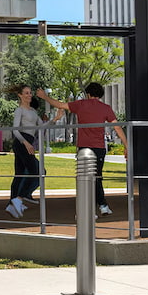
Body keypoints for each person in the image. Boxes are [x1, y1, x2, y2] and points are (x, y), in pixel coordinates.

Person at [37, 82, 128, 215]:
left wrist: (45, 97)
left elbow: (59, 104)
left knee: (85, 179)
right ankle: (102, 205)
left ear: (88, 94)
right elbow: (117, 127)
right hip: (99, 148)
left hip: (84, 148)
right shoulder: (106, 108)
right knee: (97, 177)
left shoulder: (80, 104)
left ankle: (90, 209)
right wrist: (126, 146)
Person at [6, 86, 63, 219]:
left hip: (27, 142)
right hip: (22, 143)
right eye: (26, 93)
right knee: (38, 171)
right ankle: (19, 198)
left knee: (20, 174)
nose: (29, 95)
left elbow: (41, 127)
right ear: (20, 95)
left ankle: (12, 203)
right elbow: (15, 130)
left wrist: (55, 119)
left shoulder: (32, 111)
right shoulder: (19, 110)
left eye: (30, 93)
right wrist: (26, 144)